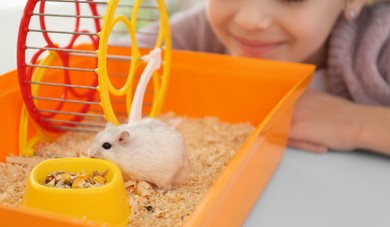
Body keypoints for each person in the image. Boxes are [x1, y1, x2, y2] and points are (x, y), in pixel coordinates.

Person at [134, 0, 390, 156]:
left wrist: (356, 124)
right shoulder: (199, 29)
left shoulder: (380, 43)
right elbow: (112, 61)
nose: (249, 20)